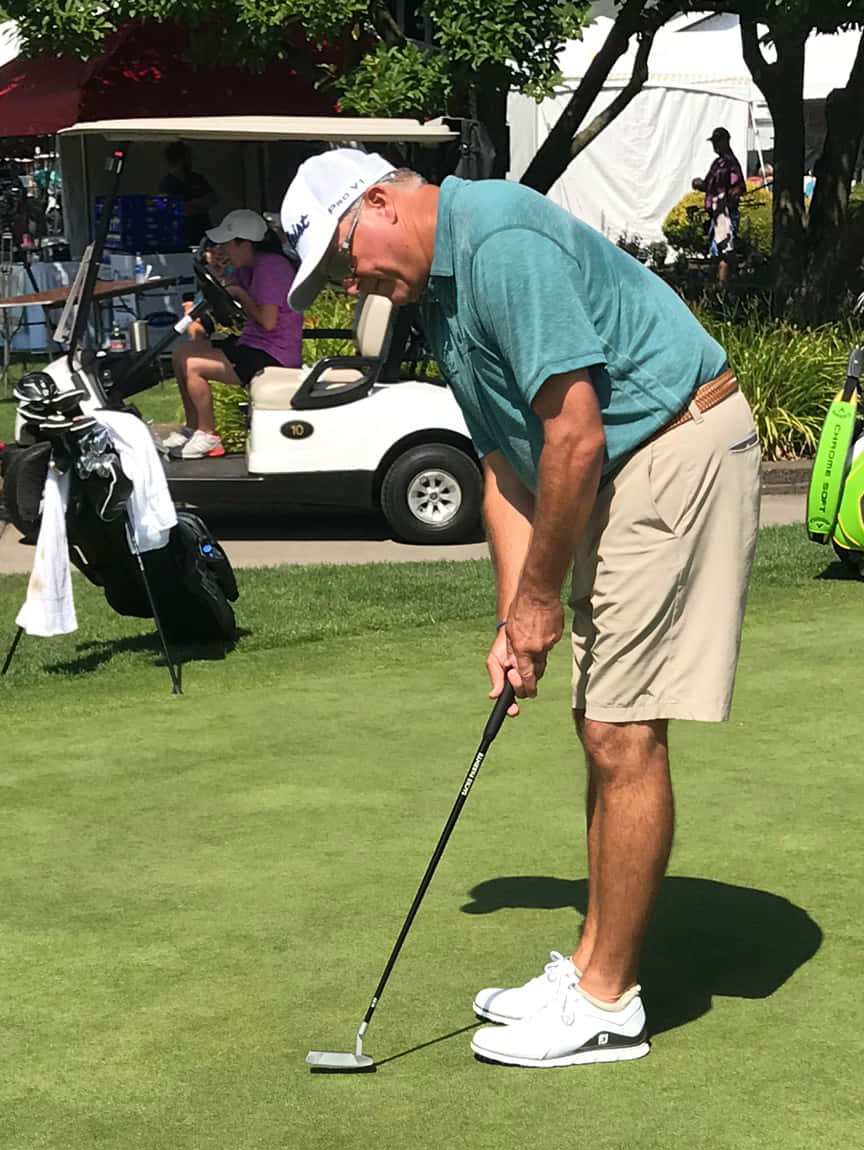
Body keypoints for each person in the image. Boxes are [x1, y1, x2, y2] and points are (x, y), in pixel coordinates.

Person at [280, 148, 761, 1068]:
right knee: (600, 723)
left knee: (622, 731)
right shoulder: (445, 294)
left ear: (379, 201)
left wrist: (542, 600)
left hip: (673, 444)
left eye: (347, 258)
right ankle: (588, 965)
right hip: (622, 464)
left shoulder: (497, 236)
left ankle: (607, 1002)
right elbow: (507, 466)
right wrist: (515, 623)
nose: (356, 284)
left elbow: (573, 430)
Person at [168, 210, 303, 459]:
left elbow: (268, 321)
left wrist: (240, 294)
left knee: (192, 364)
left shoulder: (271, 268)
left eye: (228, 244)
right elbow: (229, 298)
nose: (224, 251)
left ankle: (209, 436)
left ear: (246, 244)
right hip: (253, 345)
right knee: (180, 353)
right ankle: (192, 427)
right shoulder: (247, 267)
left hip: (274, 355)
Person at [693, 126, 746, 285]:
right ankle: (722, 285)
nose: (715, 146)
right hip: (715, 214)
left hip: (725, 214)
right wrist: (699, 184)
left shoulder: (731, 163)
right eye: (713, 142)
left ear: (725, 141)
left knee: (723, 252)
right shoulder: (717, 163)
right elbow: (708, 184)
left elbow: (740, 187)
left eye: (717, 142)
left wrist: (732, 194)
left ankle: (722, 289)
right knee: (717, 253)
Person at [159, 141, 218, 249]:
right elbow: (168, 208)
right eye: (188, 157)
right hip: (179, 237)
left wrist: (186, 205)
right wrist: (196, 206)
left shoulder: (197, 178)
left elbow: (212, 200)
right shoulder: (167, 183)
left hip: (202, 233)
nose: (191, 160)